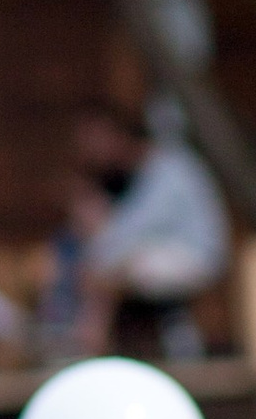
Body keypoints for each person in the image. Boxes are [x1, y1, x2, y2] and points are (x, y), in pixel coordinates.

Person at [73, 101, 229, 361]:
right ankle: (172, 342)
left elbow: (134, 229)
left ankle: (91, 348)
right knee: (111, 267)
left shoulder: (169, 168)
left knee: (113, 271)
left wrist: (97, 246)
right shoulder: (147, 171)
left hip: (197, 256)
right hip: (171, 252)